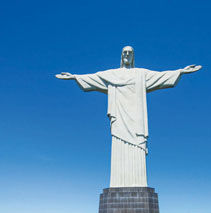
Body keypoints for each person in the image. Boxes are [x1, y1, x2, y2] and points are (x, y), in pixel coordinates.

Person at [56, 46, 201, 187]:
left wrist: (181, 71)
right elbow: (94, 77)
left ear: (133, 56)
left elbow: (161, 76)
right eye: (124, 52)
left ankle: (138, 182)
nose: (126, 55)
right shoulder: (112, 75)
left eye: (129, 52)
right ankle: (117, 183)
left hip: (136, 118)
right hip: (119, 118)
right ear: (121, 56)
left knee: (137, 146)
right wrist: (75, 77)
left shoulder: (141, 74)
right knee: (118, 146)